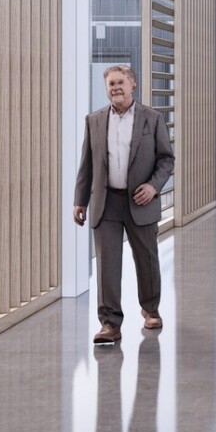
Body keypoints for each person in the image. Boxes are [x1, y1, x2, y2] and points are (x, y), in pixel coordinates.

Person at [73, 65, 175, 346]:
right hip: (106, 203)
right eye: (110, 83)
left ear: (133, 85)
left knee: (147, 258)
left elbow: (166, 159)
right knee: (107, 264)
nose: (115, 87)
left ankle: (151, 308)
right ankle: (109, 323)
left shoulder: (152, 119)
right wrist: (79, 201)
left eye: (120, 82)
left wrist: (153, 186)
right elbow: (87, 164)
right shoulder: (94, 120)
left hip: (140, 202)